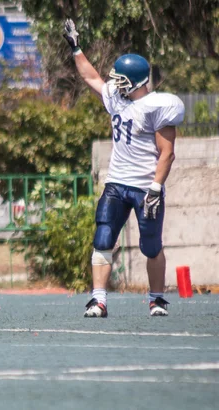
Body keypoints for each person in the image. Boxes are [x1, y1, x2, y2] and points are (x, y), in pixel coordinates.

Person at [63, 20, 185, 317]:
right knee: (103, 236)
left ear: (135, 81)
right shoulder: (117, 100)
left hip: (145, 186)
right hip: (117, 182)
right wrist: (76, 48)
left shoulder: (157, 106)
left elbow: (167, 153)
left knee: (151, 245)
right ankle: (98, 299)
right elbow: (91, 77)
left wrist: (156, 186)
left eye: (120, 79)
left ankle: (157, 299)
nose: (114, 83)